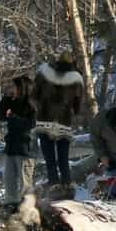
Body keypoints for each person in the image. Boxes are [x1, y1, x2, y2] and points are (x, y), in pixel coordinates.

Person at [31, 50, 84, 200]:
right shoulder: (76, 78)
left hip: (45, 120)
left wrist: (40, 107)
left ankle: (54, 186)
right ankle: (67, 186)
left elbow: (33, 97)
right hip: (64, 122)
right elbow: (78, 106)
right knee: (63, 158)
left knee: (50, 159)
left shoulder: (44, 73)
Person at [0, 75, 37, 203]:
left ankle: (27, 214)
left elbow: (30, 125)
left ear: (22, 88)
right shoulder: (13, 102)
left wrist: (13, 117)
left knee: (25, 186)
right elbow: (2, 116)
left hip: (25, 150)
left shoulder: (32, 105)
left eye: (14, 86)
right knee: (9, 184)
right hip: (11, 148)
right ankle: (11, 211)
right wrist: (6, 98)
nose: (12, 89)